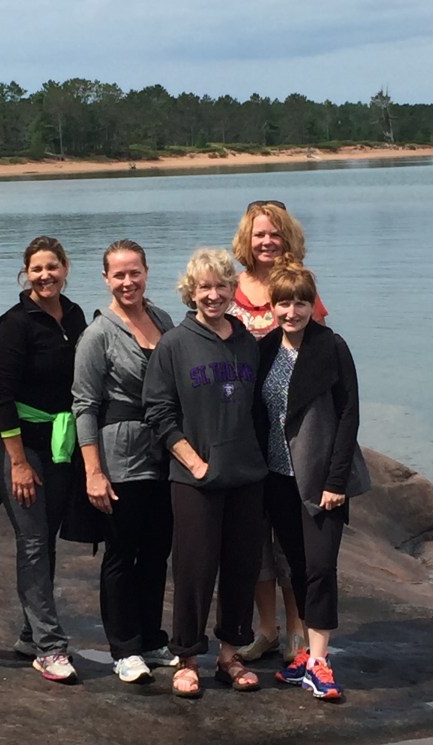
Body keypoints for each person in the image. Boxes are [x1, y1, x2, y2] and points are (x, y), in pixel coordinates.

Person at [143, 248, 269, 698]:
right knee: (194, 570)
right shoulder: (175, 343)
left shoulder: (246, 342)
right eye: (204, 288)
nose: (213, 295)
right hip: (194, 479)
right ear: (190, 292)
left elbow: (257, 409)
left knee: (241, 567)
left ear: (233, 290)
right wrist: (193, 461)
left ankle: (230, 654)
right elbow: (158, 412)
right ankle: (188, 657)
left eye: (221, 286)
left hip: (246, 476)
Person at [255, 264, 369, 700]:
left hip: (321, 481)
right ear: (273, 306)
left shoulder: (331, 347)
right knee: (297, 568)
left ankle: (320, 661)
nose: (292, 311)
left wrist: (336, 479)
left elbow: (349, 414)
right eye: (284, 302)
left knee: (321, 568)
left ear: (312, 305)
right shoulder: (266, 349)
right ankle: (303, 655)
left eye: (301, 302)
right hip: (278, 478)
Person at [72, 240, 178, 683]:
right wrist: (93, 471)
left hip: (165, 455)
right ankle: (124, 648)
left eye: (134, 272)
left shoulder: (165, 320)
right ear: (106, 279)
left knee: (157, 552)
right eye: (119, 274)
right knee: (121, 553)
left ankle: (152, 639)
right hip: (120, 455)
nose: (128, 281)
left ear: (146, 273)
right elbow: (84, 405)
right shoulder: (98, 334)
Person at [229, 200, 329, 666]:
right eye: (258, 234)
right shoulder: (231, 288)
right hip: (243, 432)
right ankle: (264, 629)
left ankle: (296, 629)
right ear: (246, 240)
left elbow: (321, 360)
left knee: (293, 539)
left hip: (289, 438)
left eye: (274, 234)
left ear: (287, 237)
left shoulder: (297, 286)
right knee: (253, 537)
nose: (266, 242)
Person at [0, 236, 86, 684]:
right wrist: (18, 462)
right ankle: (49, 647)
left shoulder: (76, 315)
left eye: (53, 267)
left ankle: (29, 633)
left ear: (65, 268)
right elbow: (2, 397)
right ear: (26, 273)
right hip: (16, 442)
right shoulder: (14, 324)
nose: (46, 276)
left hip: (58, 441)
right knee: (33, 539)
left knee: (46, 537)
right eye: (37, 269)